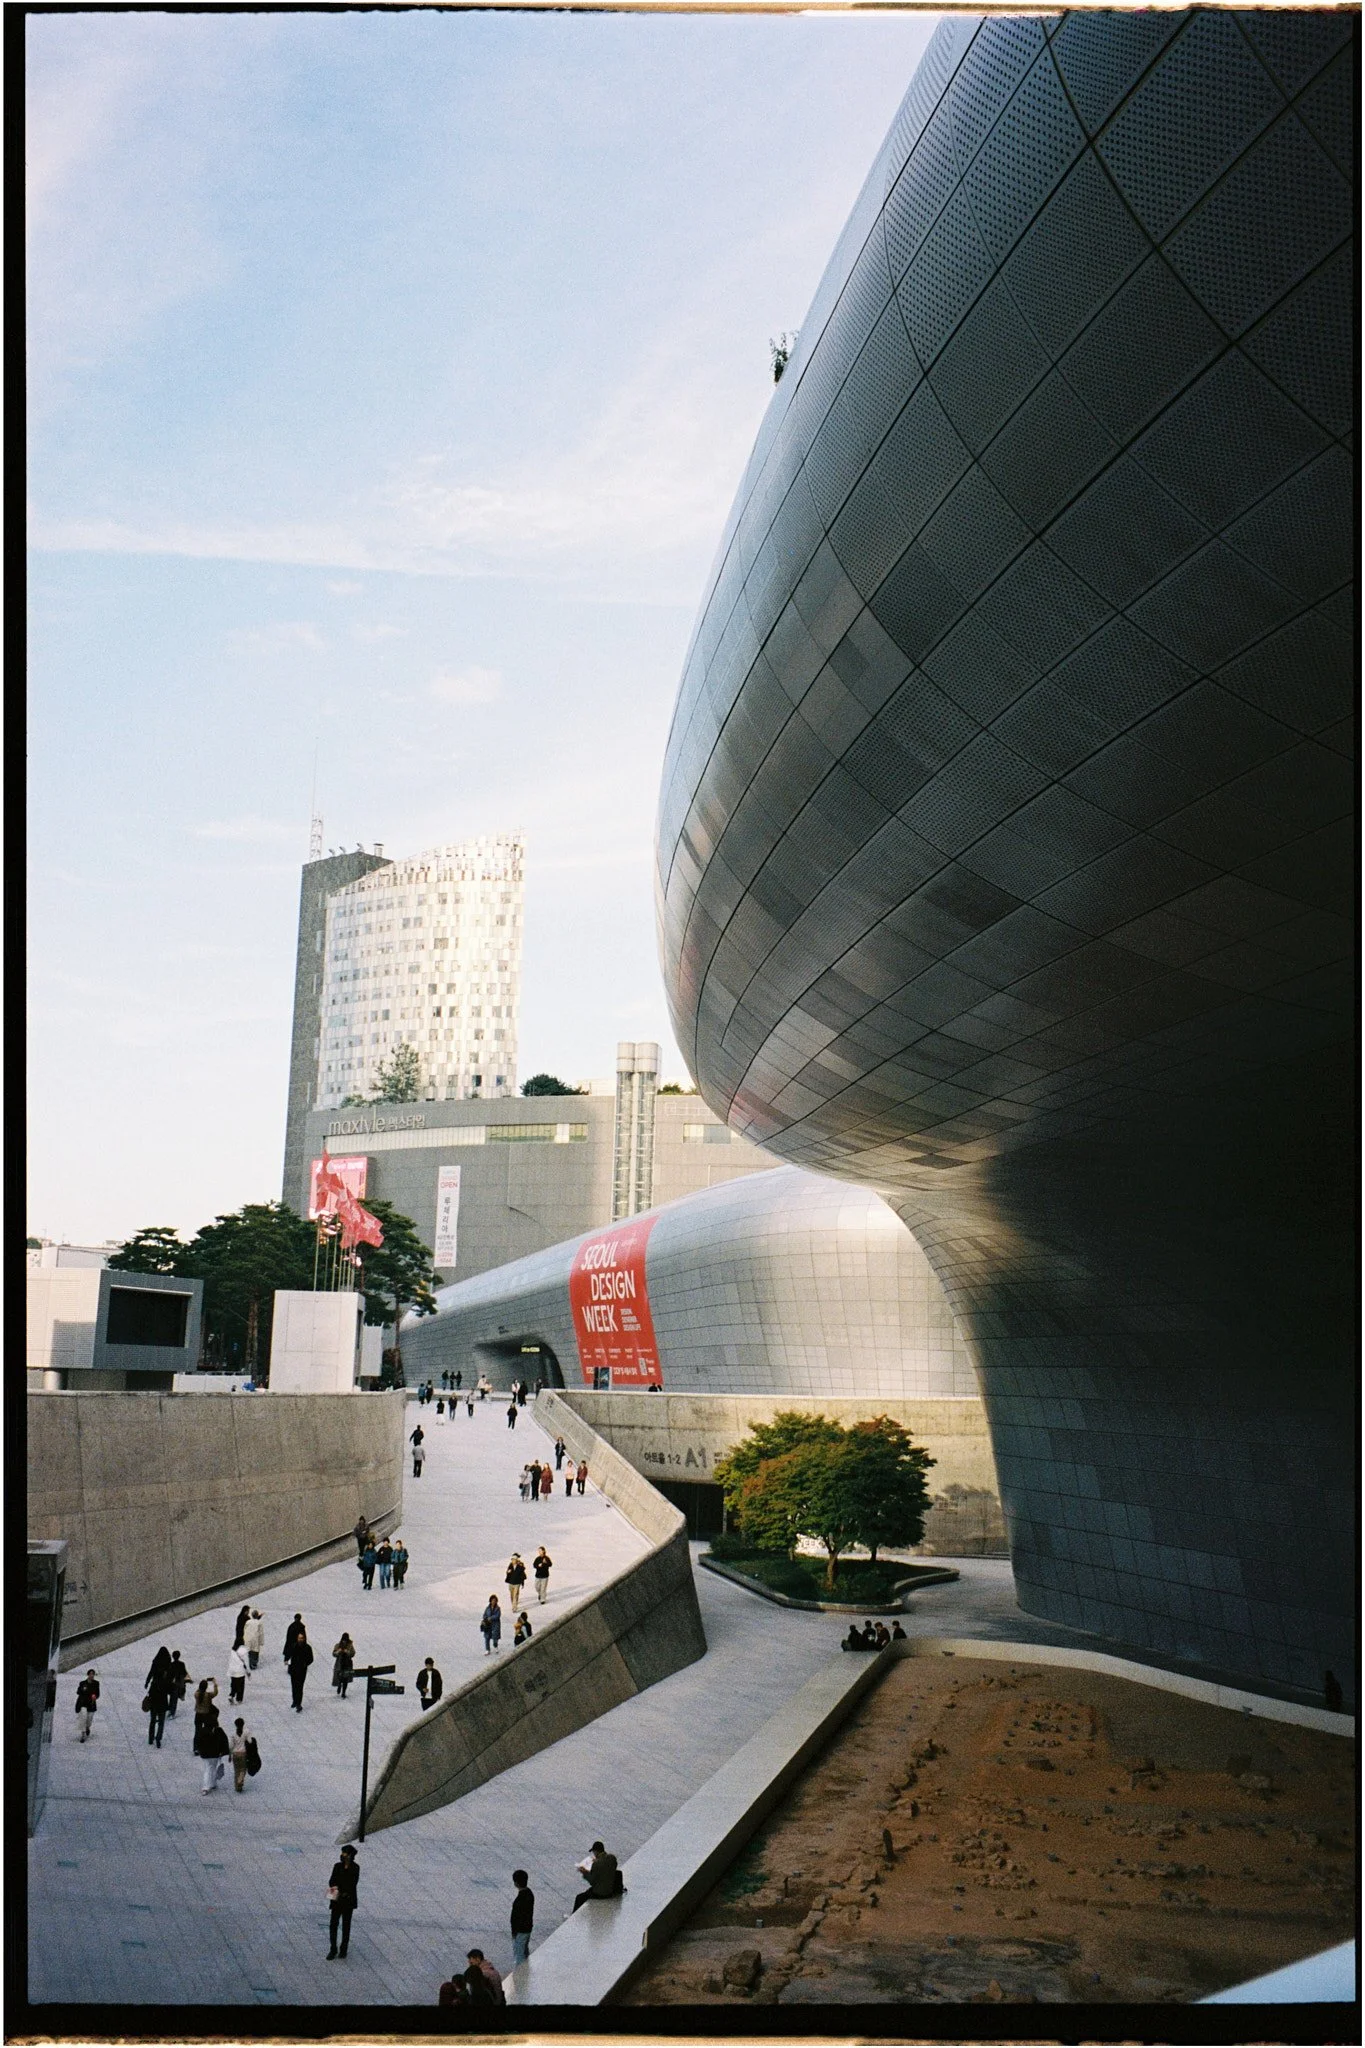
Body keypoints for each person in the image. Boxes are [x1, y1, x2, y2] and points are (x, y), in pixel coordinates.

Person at [326, 1844, 360, 1959]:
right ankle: (333, 1948)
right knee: (333, 1924)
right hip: (336, 1900)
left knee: (346, 1925)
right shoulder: (337, 1866)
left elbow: (352, 1884)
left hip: (348, 1900)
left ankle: (343, 1949)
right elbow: (332, 1880)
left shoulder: (355, 1868)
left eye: (344, 1853)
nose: (342, 1855)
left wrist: (343, 1891)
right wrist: (335, 1888)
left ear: (350, 1855)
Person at [573, 1842, 623, 1911]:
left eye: (593, 1852)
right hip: (611, 1889)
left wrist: (584, 1872)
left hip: (601, 1893)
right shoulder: (612, 1858)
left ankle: (573, 1914)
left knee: (579, 1897)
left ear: (596, 1851)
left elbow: (592, 1881)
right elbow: (609, 1869)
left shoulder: (596, 1864)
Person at [144, 1647, 173, 1747]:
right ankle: (158, 1738)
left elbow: (151, 1672)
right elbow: (170, 1681)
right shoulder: (168, 1666)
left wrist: (147, 1682)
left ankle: (150, 1738)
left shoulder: (155, 1663)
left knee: (152, 1720)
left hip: (154, 1698)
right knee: (161, 1721)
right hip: (163, 1700)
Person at [510, 1869, 535, 1966]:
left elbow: (517, 1917)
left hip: (520, 1931)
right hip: (527, 1928)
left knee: (519, 1955)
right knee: (524, 1952)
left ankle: (521, 1974)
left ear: (516, 1883)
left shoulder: (521, 1898)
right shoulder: (529, 1893)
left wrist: (514, 1932)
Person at [199, 1712, 230, 1792]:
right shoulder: (218, 1730)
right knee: (212, 1767)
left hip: (205, 1754)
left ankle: (208, 1785)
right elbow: (224, 1741)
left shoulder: (202, 1731)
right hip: (215, 1754)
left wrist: (199, 1751)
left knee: (208, 1768)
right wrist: (224, 1752)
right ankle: (210, 1784)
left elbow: (198, 1742)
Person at [286, 1626, 314, 1710]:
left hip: (302, 1670)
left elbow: (311, 1659)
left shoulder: (307, 1648)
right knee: (294, 1686)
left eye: (302, 1638)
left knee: (300, 1686)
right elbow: (289, 1655)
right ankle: (294, 1701)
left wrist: (305, 1664)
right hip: (293, 1669)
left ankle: (299, 1703)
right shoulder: (294, 1646)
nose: (300, 1639)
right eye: (299, 1638)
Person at [193, 1676, 220, 1746]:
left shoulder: (196, 1694)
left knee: (197, 1731)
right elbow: (215, 1693)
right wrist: (215, 1684)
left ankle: (195, 1747)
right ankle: (205, 1745)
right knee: (207, 1730)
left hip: (198, 1714)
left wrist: (203, 1682)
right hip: (206, 1714)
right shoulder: (208, 1695)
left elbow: (198, 1690)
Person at [229, 1716, 254, 1793]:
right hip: (243, 1754)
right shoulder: (246, 1732)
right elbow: (250, 1741)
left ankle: (237, 1785)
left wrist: (230, 1755)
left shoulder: (233, 1734)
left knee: (236, 1770)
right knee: (243, 1770)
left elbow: (230, 1746)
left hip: (235, 1754)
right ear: (243, 1724)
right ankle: (240, 1782)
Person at [74, 1669, 100, 1742]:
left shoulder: (96, 1683)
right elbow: (78, 1692)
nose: (91, 1675)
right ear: (88, 1675)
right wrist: (83, 1689)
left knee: (89, 1719)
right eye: (90, 1674)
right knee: (83, 1717)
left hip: (91, 1704)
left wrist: (95, 1697)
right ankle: (83, 1734)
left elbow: (98, 1694)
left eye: (93, 1674)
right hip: (83, 1703)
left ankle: (87, 1727)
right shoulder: (82, 1683)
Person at [332, 1633, 356, 1697]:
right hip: (340, 1664)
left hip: (347, 1664)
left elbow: (353, 1653)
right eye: (343, 1640)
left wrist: (347, 1652)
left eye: (345, 1640)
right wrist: (338, 1651)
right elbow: (334, 1654)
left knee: (346, 1679)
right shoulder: (338, 1645)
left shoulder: (350, 1646)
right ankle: (339, 1685)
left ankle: (343, 1692)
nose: (344, 1641)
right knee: (339, 1677)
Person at [168, 1651, 189, 1717]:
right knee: (175, 1699)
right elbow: (184, 1672)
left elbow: (169, 1674)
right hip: (178, 1683)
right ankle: (172, 1713)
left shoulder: (170, 1664)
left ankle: (170, 1711)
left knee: (171, 1698)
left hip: (171, 1684)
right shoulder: (182, 1664)